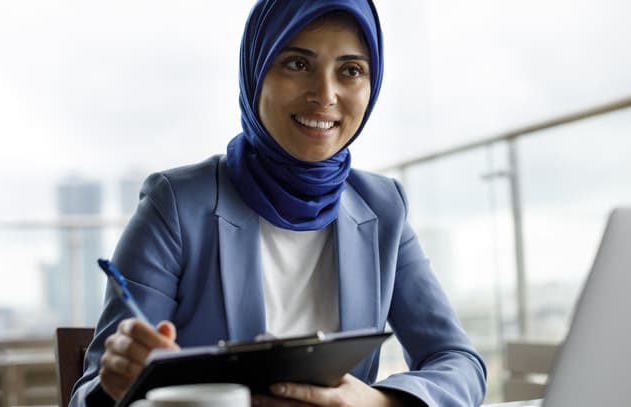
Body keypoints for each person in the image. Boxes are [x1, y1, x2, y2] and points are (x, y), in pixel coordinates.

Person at [70, 1, 487, 406]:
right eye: (297, 64)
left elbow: (459, 363)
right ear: (256, 72)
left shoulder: (383, 207)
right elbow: (89, 394)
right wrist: (115, 382)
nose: (325, 95)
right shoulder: (175, 205)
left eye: (351, 70)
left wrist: (378, 401)